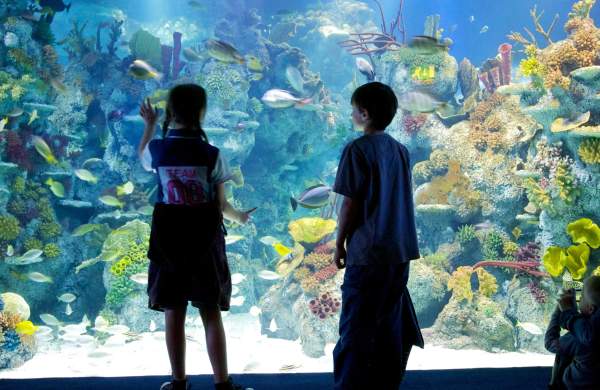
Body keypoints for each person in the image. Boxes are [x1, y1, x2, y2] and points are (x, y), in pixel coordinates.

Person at [138, 84, 255, 390]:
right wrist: (240, 216)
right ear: (202, 113)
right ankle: (223, 383)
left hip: (168, 242)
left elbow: (143, 156)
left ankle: (178, 382)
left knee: (173, 312)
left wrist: (149, 126)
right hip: (203, 242)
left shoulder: (158, 150)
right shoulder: (212, 155)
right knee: (210, 312)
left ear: (170, 113)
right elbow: (220, 204)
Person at [332, 81, 424, 390]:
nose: (352, 114)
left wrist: (339, 243)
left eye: (354, 110)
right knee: (388, 325)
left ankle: (349, 386)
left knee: (356, 328)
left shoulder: (356, 150)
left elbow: (351, 203)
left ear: (365, 113)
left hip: (367, 253)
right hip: (399, 252)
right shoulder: (400, 150)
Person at [545, 275, 600, 390]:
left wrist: (558, 311)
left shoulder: (577, 338)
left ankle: (553, 385)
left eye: (582, 297)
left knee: (561, 353)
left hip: (573, 385)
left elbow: (550, 343)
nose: (579, 299)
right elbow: (581, 323)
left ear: (590, 309)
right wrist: (571, 312)